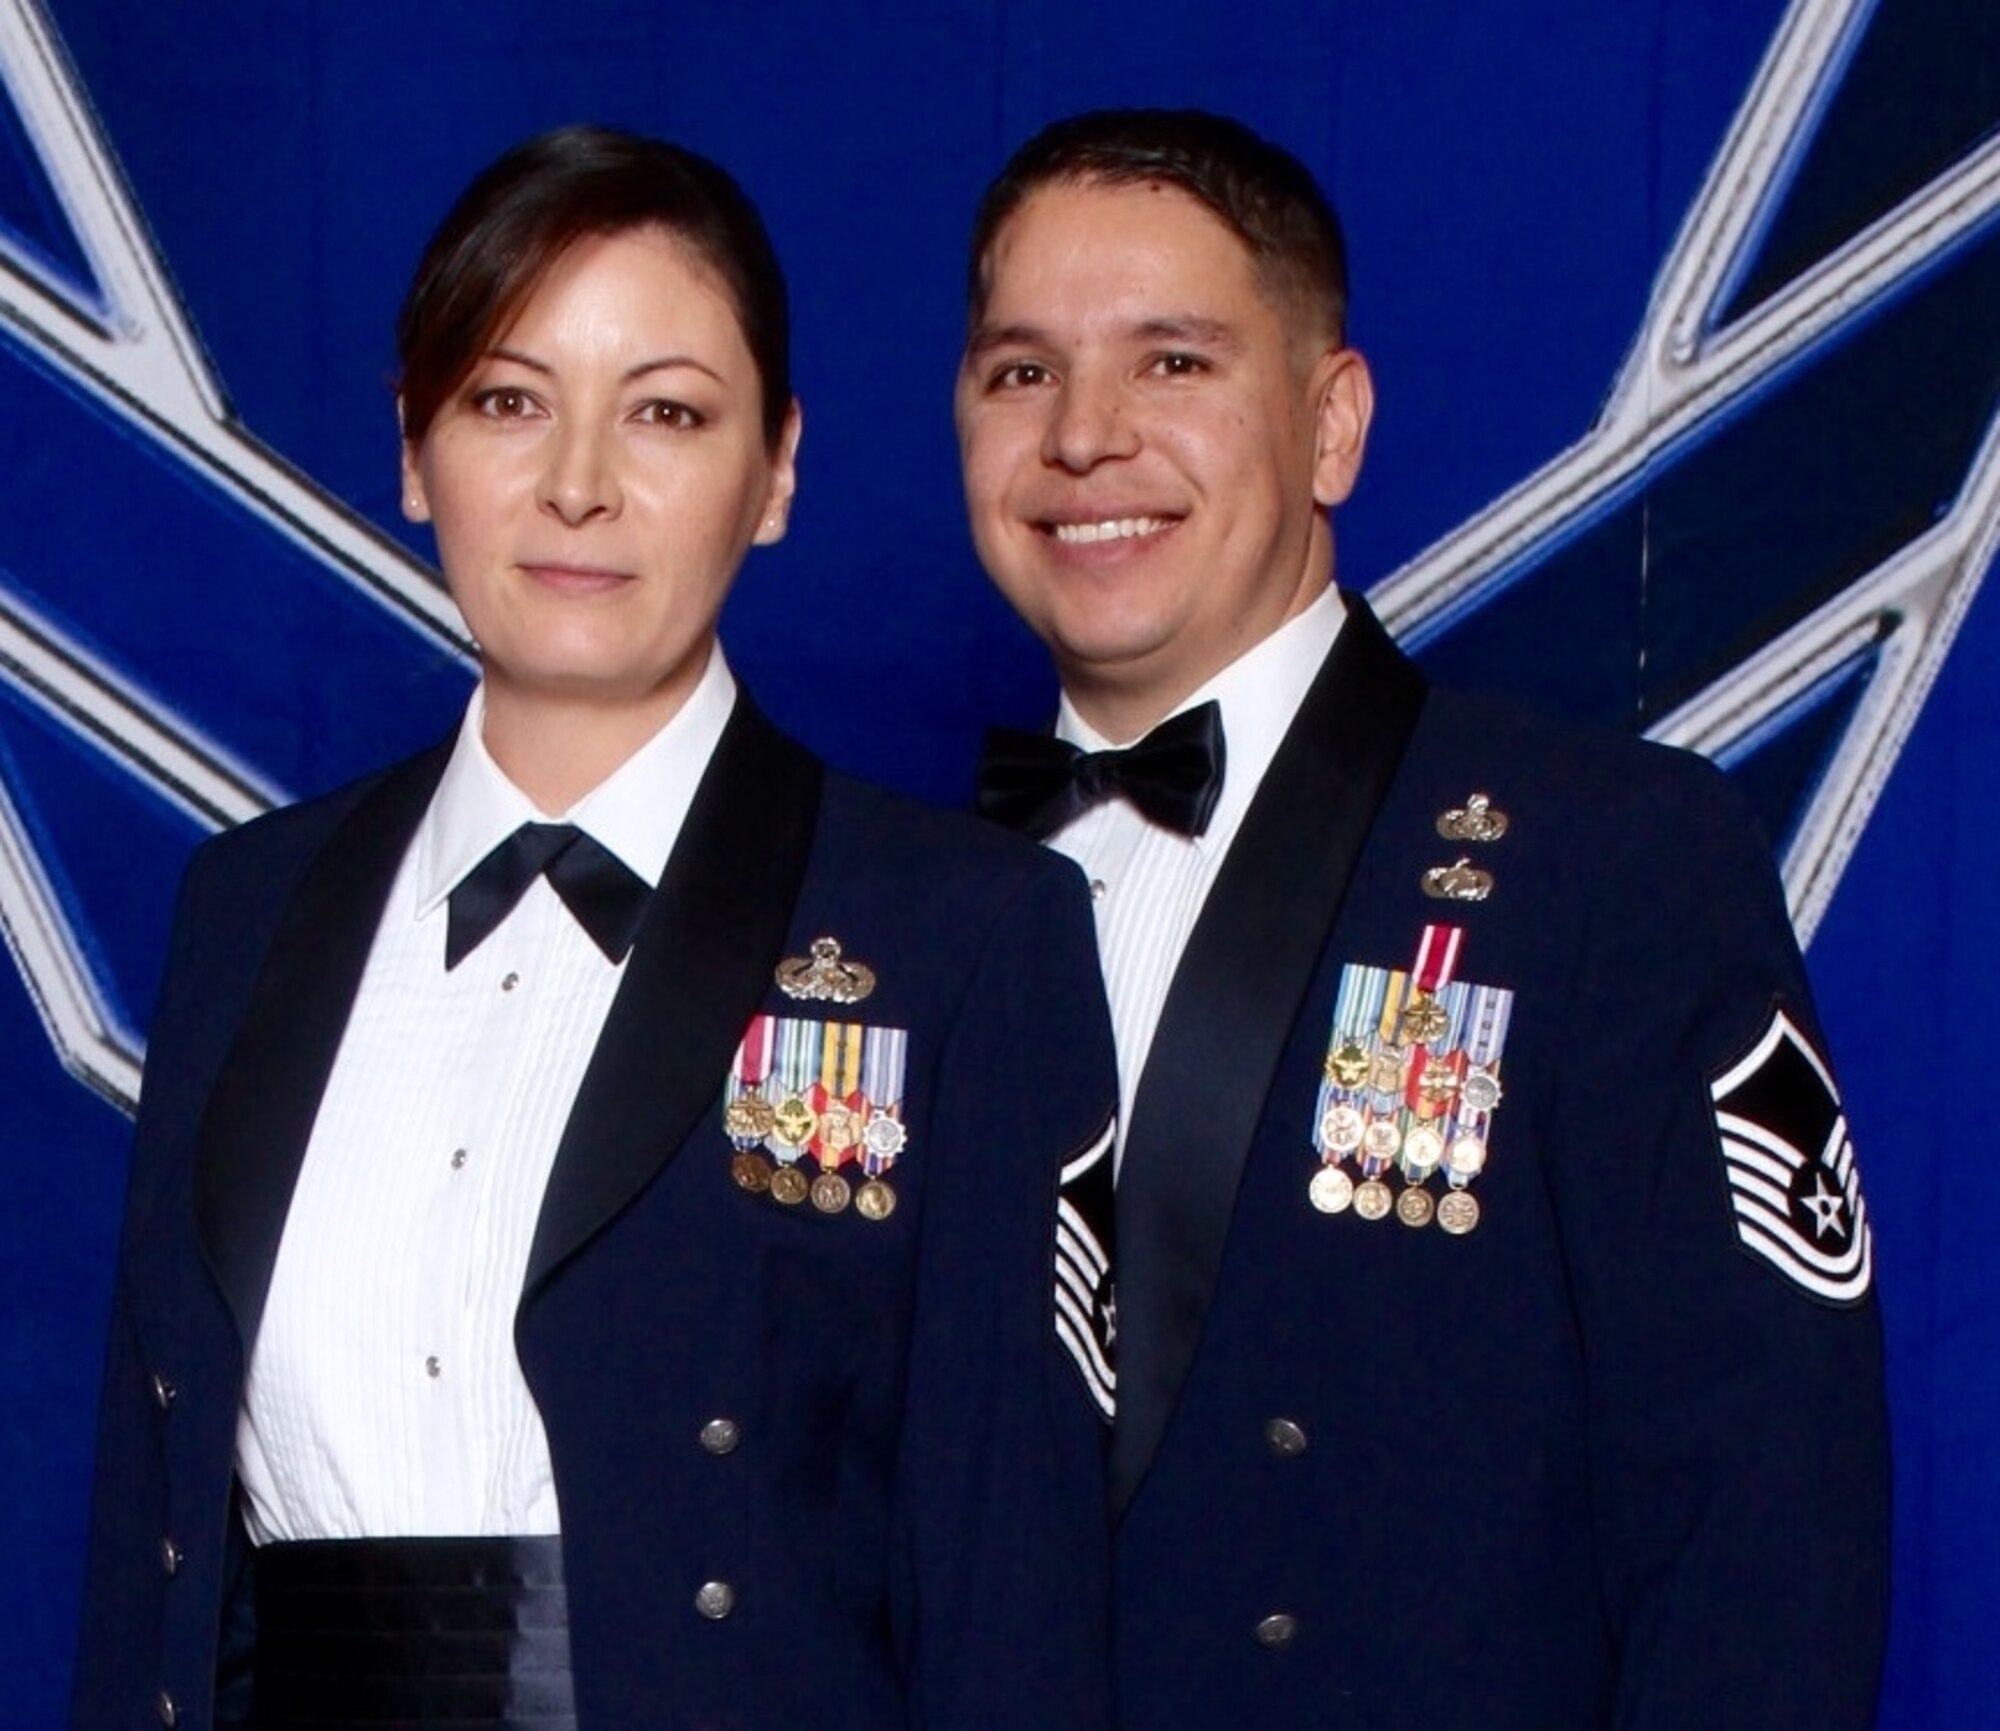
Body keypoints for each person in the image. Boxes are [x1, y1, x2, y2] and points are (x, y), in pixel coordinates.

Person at [73, 125, 1116, 1731]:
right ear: (415, 450)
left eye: (667, 414)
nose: (577, 483)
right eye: (508, 401)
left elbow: (1013, 1595)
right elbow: (154, 1536)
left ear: (775, 471)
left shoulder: (963, 934)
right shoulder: (246, 904)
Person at [961, 108, 1889, 1729]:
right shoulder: (882, 906)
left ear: (1331, 426)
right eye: (1022, 371)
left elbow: (1766, 1536)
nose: (1084, 435)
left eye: (1172, 363)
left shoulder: (1609, 864)